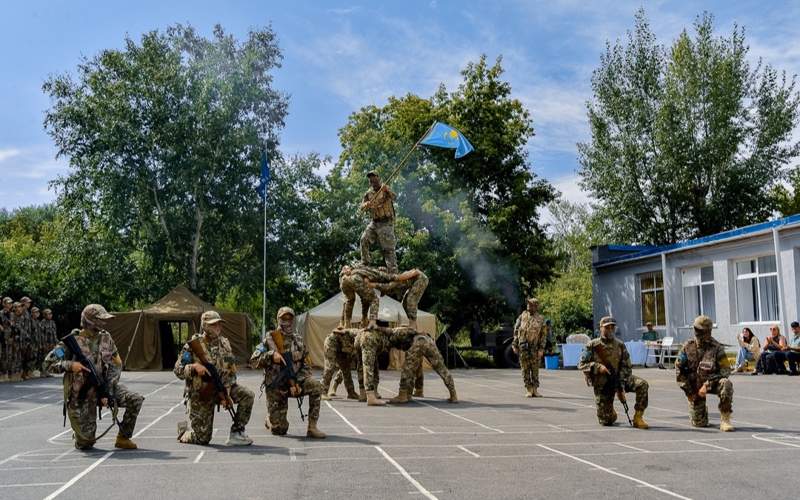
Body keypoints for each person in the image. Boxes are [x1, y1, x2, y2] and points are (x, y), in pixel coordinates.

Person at [44, 304, 144, 450]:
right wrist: (70, 366)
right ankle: (80, 432)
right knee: (86, 443)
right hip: (82, 394)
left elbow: (116, 364)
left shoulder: (106, 338)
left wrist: (107, 391)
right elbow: (48, 364)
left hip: (103, 386)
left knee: (135, 399)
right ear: (90, 321)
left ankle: (123, 437)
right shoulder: (72, 341)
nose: (104, 322)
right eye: (100, 319)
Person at [175, 311, 254, 446]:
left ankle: (237, 432)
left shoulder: (225, 344)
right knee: (202, 439)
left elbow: (231, 369)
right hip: (201, 394)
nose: (218, 327)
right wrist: (194, 367)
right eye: (213, 324)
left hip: (222, 388)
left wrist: (227, 393)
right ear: (204, 326)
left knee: (248, 395)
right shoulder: (193, 346)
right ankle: (184, 431)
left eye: (219, 324)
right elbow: (178, 370)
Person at [250, 307, 325, 439]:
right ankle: (270, 419)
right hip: (276, 387)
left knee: (317, 386)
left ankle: (312, 427)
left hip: (295, 382)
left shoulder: (298, 340)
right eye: (284, 318)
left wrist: (298, 382)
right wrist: (270, 355)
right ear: (278, 320)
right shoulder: (270, 339)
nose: (287, 322)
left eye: (290, 318)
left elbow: (307, 365)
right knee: (280, 430)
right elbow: (253, 361)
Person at [579, 316, 649, 429]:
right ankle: (610, 411)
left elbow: (626, 366)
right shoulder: (593, 345)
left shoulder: (620, 345)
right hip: (603, 384)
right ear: (601, 328)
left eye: (612, 327)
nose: (610, 329)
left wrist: (620, 387)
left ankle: (638, 417)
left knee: (642, 384)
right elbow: (582, 364)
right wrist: (597, 366)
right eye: (607, 327)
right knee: (606, 421)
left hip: (620, 379)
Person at [675, 315, 734, 432]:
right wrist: (689, 392)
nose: (698, 333)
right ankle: (700, 410)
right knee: (699, 424)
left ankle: (725, 419)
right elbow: (679, 369)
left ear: (708, 331)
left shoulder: (716, 348)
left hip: (711, 383)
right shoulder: (687, 346)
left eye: (701, 331)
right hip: (694, 388)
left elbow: (726, 370)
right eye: (696, 330)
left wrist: (708, 384)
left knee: (726, 383)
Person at [388, 329, 457, 404]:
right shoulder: (401, 331)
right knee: (441, 368)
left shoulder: (395, 333)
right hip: (428, 340)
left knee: (407, 369)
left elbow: (408, 369)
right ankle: (453, 395)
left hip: (417, 343)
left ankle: (403, 395)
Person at [357, 323, 417, 406]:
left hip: (360, 338)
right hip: (369, 339)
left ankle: (363, 394)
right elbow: (403, 331)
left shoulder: (391, 336)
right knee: (368, 367)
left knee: (363, 365)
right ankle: (370, 397)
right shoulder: (397, 333)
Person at [360, 171, 398, 273]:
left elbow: (394, 197)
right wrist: (366, 205)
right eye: (370, 179)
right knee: (364, 239)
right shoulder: (368, 193)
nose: (372, 180)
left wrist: (387, 191)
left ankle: (392, 269)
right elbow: (361, 207)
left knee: (388, 247)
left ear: (378, 178)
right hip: (374, 222)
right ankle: (365, 262)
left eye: (374, 177)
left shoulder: (385, 189)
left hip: (386, 222)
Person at [512, 297, 546, 397]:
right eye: (528, 304)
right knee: (525, 369)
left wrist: (541, 349)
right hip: (523, 347)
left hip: (535, 348)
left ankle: (535, 389)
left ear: (536, 307)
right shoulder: (522, 316)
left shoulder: (541, 319)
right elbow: (516, 330)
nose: (528, 306)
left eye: (531, 304)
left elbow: (543, 335)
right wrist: (514, 344)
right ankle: (529, 389)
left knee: (535, 369)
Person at [320, 326, 359, 400]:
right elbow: (346, 334)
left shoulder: (358, 340)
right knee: (330, 367)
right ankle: (322, 392)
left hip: (342, 349)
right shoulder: (355, 333)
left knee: (346, 369)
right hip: (332, 343)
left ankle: (351, 393)